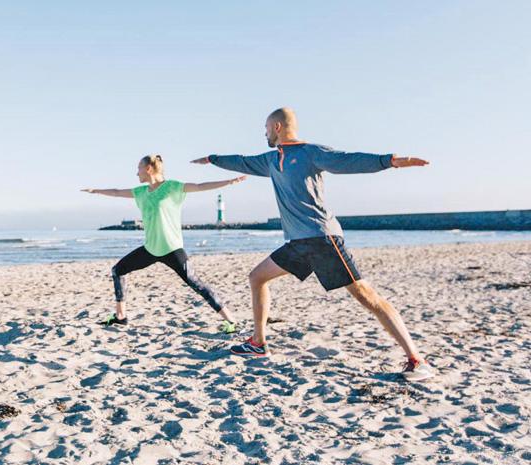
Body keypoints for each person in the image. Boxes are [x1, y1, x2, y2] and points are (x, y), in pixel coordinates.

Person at [191, 108, 434, 381]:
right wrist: (213, 159)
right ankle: (258, 343)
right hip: (297, 243)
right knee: (257, 277)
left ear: (278, 127)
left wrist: (388, 160)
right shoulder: (271, 160)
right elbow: (242, 162)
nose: (264, 133)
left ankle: (417, 360)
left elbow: (347, 161)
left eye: (267, 127)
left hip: (322, 239)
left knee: (367, 297)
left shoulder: (310, 152)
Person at [82, 154, 245, 334]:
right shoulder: (141, 192)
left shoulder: (172, 187)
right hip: (151, 248)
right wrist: (95, 191)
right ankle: (121, 317)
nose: (136, 173)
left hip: (172, 248)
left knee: (196, 284)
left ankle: (231, 320)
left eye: (139, 169)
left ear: (149, 169)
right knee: (118, 270)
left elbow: (200, 187)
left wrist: (229, 182)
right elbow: (117, 192)